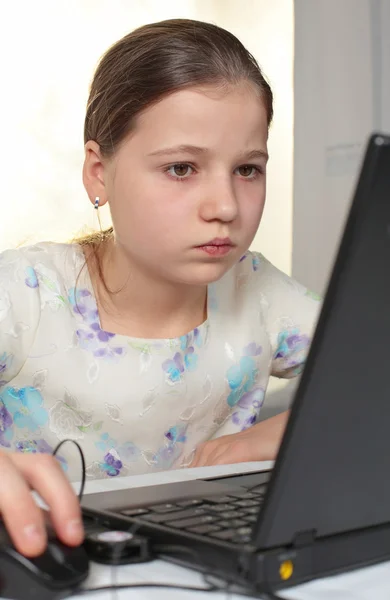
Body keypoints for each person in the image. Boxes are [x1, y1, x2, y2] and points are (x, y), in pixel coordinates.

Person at [0, 18, 321, 557]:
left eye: (247, 169)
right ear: (99, 172)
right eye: (180, 168)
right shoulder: (26, 293)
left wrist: (268, 438)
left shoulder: (260, 292)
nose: (224, 207)